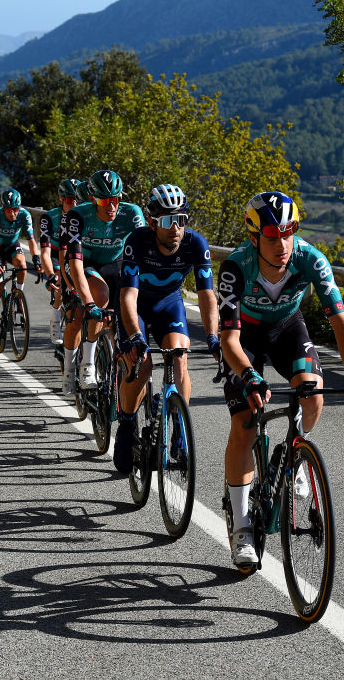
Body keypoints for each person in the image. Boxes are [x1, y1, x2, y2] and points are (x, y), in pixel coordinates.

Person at [216, 191, 344, 568]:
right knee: (244, 423)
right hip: (245, 337)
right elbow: (228, 340)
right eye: (272, 235)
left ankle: (295, 457)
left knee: (313, 395)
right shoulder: (236, 267)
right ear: (254, 236)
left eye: (288, 233)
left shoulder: (310, 259)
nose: (282, 243)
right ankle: (241, 526)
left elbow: (340, 319)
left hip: (287, 327)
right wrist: (250, 376)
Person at [113, 184, 219, 474]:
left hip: (168, 303)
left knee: (179, 358)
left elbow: (208, 295)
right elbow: (128, 296)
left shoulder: (196, 244)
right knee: (141, 366)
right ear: (152, 223)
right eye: (166, 221)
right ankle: (126, 425)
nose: (175, 228)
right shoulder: (137, 241)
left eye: (181, 219)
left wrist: (212, 336)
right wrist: (135, 336)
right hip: (136, 306)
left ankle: (178, 425)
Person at [60, 169, 145, 392]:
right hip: (84, 264)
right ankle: (77, 366)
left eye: (116, 199)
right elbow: (74, 262)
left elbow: (144, 255)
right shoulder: (78, 215)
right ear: (92, 199)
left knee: (123, 317)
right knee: (86, 310)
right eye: (105, 200)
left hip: (113, 263)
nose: (111, 206)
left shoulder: (132, 213)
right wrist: (87, 303)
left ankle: (116, 368)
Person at [0, 188, 40, 345]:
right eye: (8, 210)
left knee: (22, 264)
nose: (12, 213)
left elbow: (31, 241)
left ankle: (18, 295)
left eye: (15, 209)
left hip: (12, 245)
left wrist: (36, 259)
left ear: (19, 207)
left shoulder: (24, 215)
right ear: (3, 208)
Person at [38, 178, 81, 345]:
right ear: (61, 200)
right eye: (70, 200)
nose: (75, 204)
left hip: (74, 252)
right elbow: (45, 252)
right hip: (56, 253)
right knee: (59, 279)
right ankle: (55, 316)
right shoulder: (49, 218)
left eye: (78, 200)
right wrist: (49, 275)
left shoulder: (83, 215)